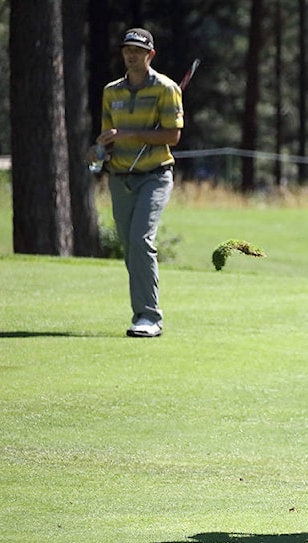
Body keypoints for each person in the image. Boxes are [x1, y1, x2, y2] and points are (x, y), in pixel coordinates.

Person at [87, 28, 183, 338]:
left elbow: (172, 135)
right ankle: (142, 310)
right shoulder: (111, 91)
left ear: (150, 55)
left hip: (154, 175)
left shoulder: (166, 89)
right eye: (127, 49)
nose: (131, 55)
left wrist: (129, 134)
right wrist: (99, 150)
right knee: (130, 248)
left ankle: (148, 316)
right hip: (119, 176)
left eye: (138, 51)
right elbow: (108, 137)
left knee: (141, 240)